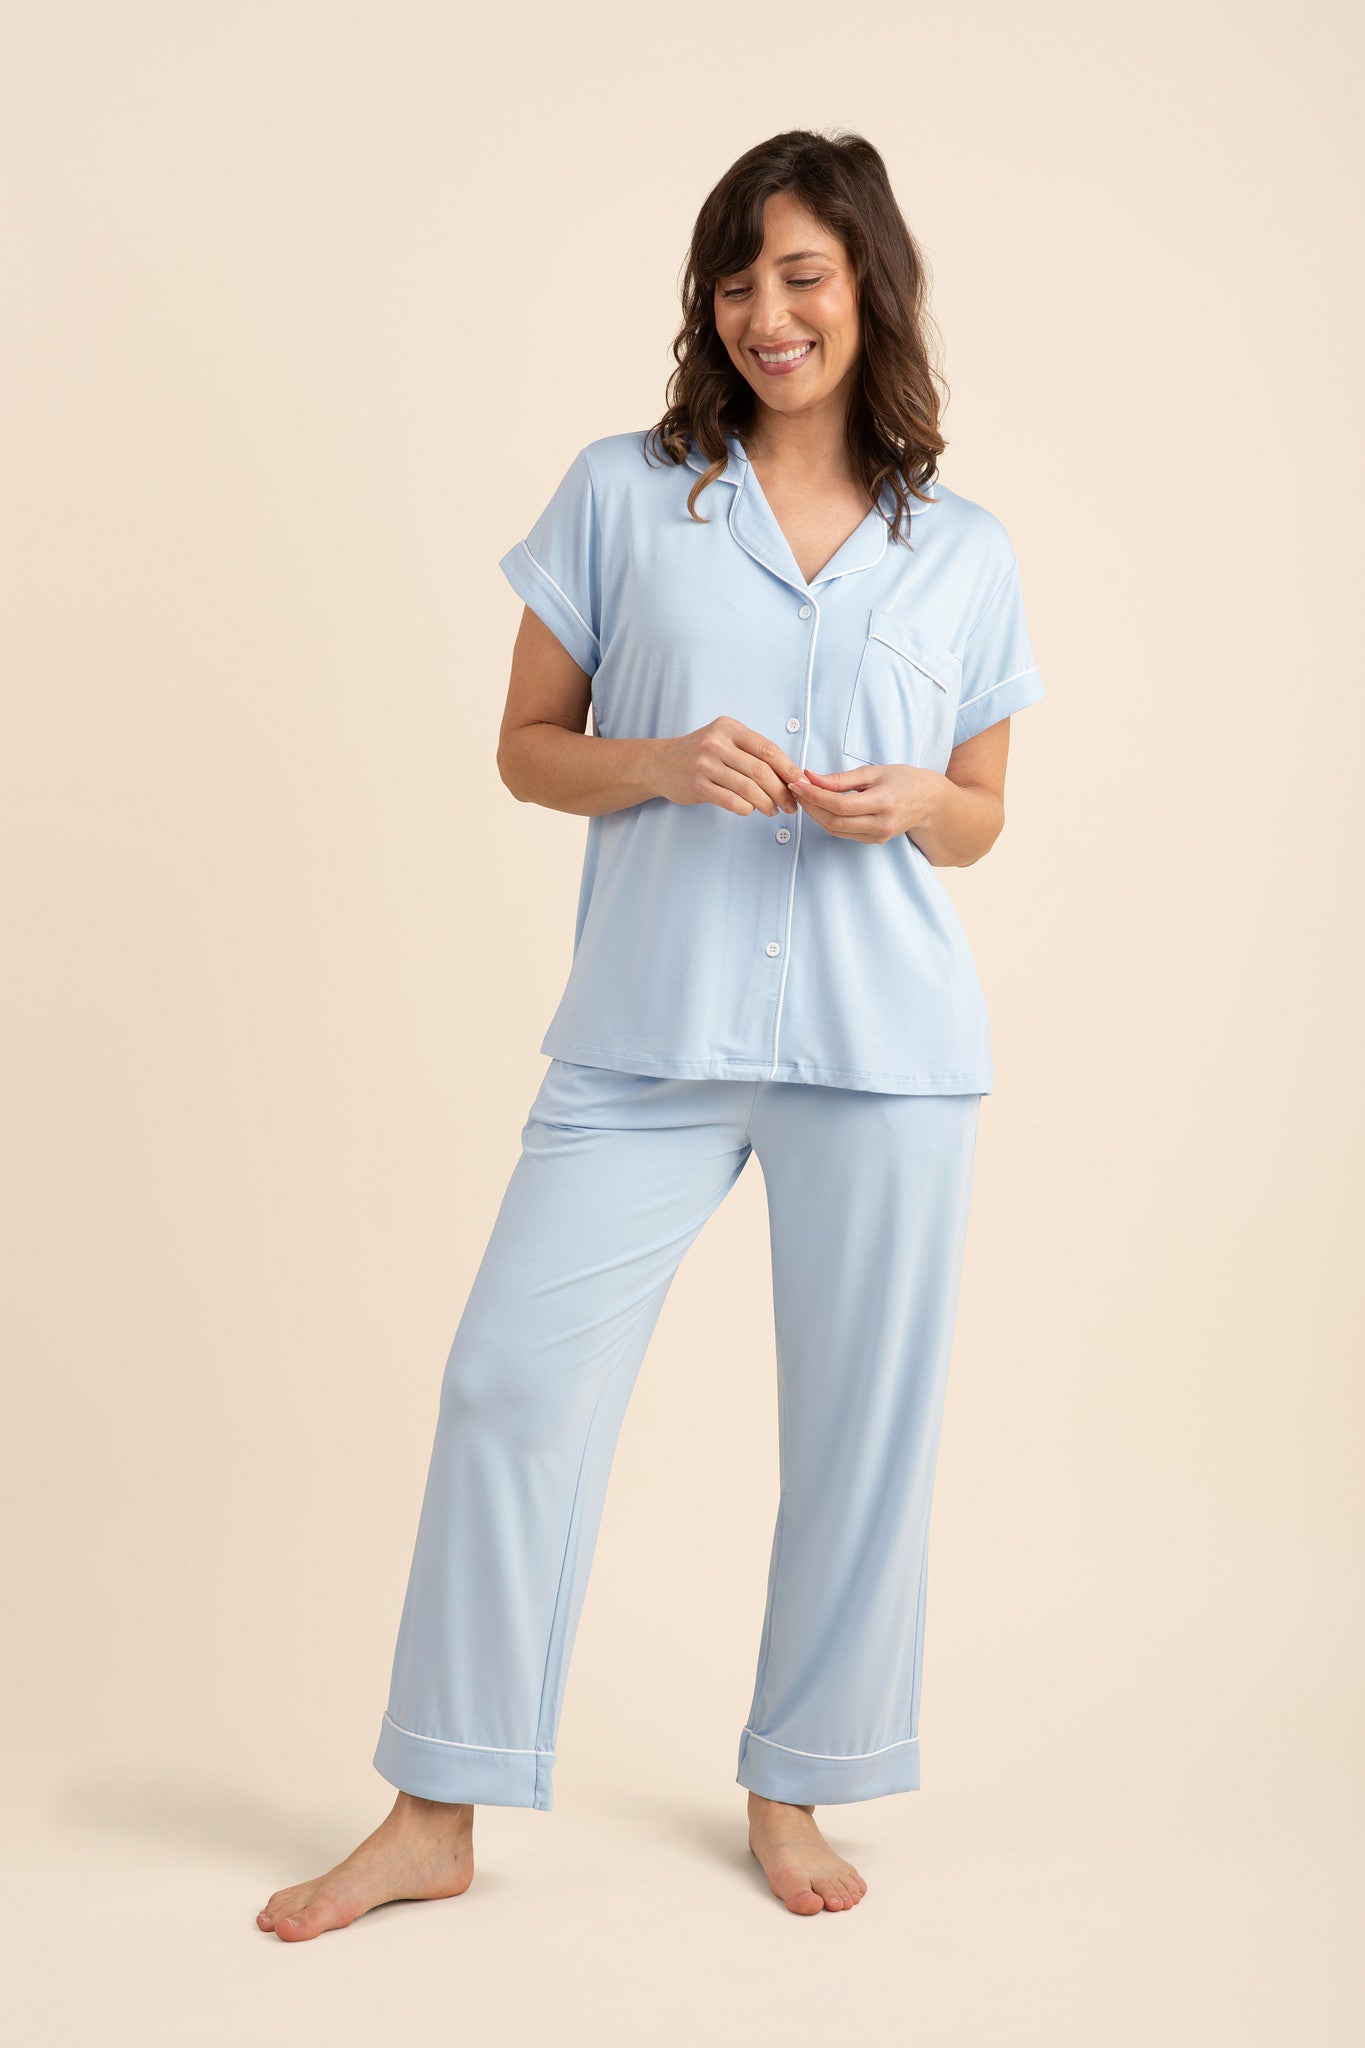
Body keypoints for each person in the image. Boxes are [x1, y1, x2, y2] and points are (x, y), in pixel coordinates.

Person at [257, 127, 1045, 1940]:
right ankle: (435, 1804)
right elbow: (526, 747)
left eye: (803, 275)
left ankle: (794, 1784)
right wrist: (664, 765)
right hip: (645, 1037)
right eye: (738, 276)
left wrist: (919, 797)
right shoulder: (626, 493)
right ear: (708, 302)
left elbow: (987, 814)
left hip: (888, 1046)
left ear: (868, 292)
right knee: (507, 1385)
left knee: (862, 1428)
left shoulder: (964, 550)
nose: (766, 312)